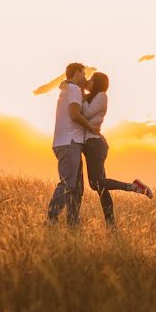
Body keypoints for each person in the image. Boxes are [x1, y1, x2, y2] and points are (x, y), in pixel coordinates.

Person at [79, 71, 153, 230]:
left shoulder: (102, 96)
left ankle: (133, 187)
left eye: (91, 79)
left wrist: (80, 92)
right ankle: (111, 226)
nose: (89, 81)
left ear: (97, 82)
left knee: (96, 184)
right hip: (92, 144)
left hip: (95, 145)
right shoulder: (92, 97)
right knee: (102, 188)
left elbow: (87, 112)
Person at [45, 62, 101, 227]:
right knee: (68, 183)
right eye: (83, 74)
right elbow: (75, 114)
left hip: (68, 142)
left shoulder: (68, 88)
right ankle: (51, 220)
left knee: (77, 187)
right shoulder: (73, 89)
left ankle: (73, 224)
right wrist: (92, 127)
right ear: (76, 73)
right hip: (69, 142)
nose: (85, 77)